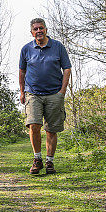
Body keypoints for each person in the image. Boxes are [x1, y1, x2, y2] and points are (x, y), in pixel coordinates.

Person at [18, 18, 71, 175]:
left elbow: (67, 68)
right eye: (36, 29)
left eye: (41, 28)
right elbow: (22, 71)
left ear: (46, 30)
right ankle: (37, 159)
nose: (39, 31)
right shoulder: (26, 49)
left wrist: (62, 91)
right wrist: (22, 91)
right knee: (33, 125)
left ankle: (49, 162)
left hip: (54, 93)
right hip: (33, 93)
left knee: (51, 130)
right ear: (32, 32)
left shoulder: (58, 47)